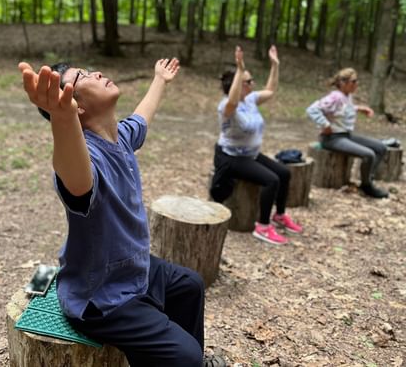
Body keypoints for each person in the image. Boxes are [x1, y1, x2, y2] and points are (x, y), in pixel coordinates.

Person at [18, 59, 226, 367]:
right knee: (187, 355)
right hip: (100, 296)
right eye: (82, 77)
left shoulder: (121, 137)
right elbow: (74, 176)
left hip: (131, 269)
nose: (96, 73)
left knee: (190, 285)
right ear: (76, 107)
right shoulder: (86, 157)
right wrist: (63, 122)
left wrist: (159, 79)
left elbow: (142, 116)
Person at [210, 45, 302, 246]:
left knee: (284, 173)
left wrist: (275, 65)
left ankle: (279, 215)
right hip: (232, 158)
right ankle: (262, 226)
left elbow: (270, 90)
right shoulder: (225, 106)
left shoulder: (250, 99)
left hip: (251, 154)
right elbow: (233, 102)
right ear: (238, 84)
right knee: (272, 180)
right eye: (248, 81)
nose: (253, 84)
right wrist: (240, 69)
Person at [306, 68, 388, 198]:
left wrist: (359, 108)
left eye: (357, 81)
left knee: (380, 147)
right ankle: (367, 186)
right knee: (369, 154)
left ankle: (368, 179)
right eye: (353, 81)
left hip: (345, 136)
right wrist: (325, 124)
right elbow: (312, 109)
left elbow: (341, 110)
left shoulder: (346, 96)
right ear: (343, 83)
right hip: (331, 139)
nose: (356, 84)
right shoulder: (335, 97)